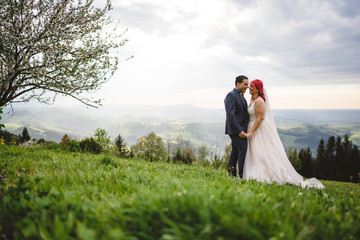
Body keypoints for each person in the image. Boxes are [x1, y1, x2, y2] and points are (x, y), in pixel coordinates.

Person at [243, 79, 325, 189]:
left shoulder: (259, 101)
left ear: (258, 89)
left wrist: (250, 132)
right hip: (251, 127)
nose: (249, 88)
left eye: (252, 86)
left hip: (257, 130)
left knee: (261, 151)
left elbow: (260, 118)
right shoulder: (252, 100)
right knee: (255, 152)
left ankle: (265, 173)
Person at [224, 75, 249, 178]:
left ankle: (231, 174)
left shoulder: (241, 96)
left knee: (235, 151)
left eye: (248, 84)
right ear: (238, 84)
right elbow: (231, 115)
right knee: (243, 149)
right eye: (245, 84)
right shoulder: (231, 95)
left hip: (240, 129)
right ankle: (241, 175)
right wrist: (239, 131)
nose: (247, 86)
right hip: (235, 130)